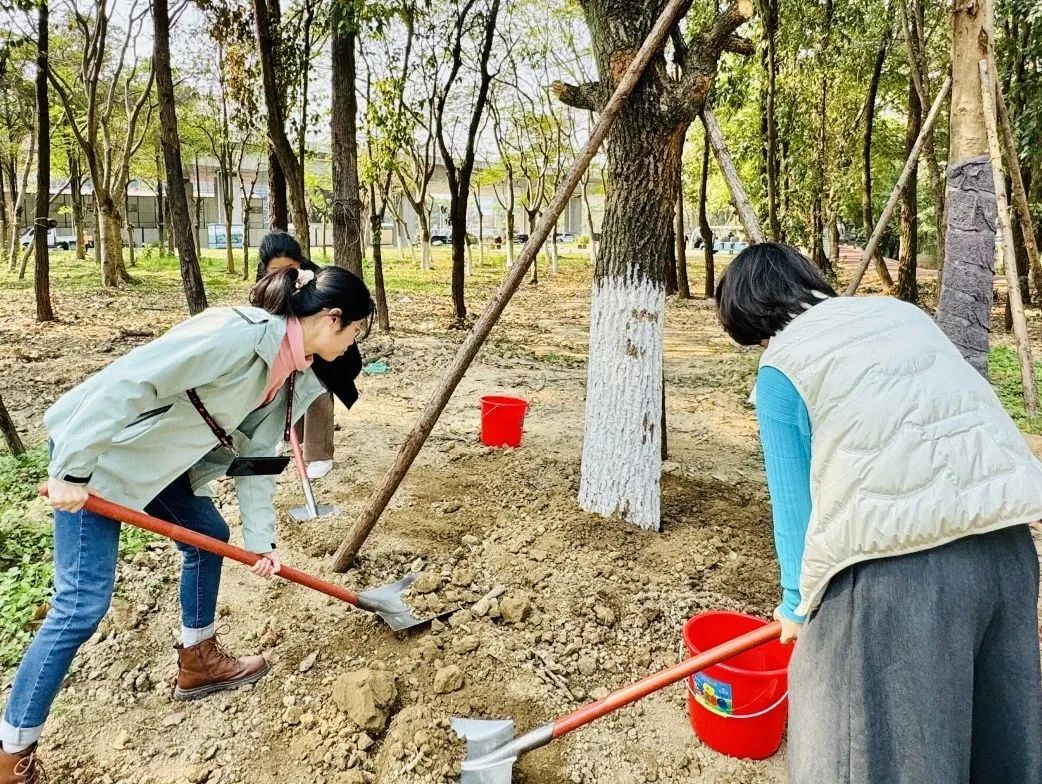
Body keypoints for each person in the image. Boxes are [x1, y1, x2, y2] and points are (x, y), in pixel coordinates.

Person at [0, 266, 374, 783]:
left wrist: (263, 542)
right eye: (356, 328)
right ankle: (12, 751)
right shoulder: (236, 333)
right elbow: (130, 380)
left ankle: (196, 660)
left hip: (158, 467)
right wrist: (70, 469)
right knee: (81, 605)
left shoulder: (291, 370)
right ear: (333, 319)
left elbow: (259, 458)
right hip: (102, 461)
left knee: (210, 538)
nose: (355, 339)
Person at [715, 242, 1042, 784]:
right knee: (994, 750)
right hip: (1007, 550)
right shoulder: (900, 315)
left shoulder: (782, 368)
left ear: (752, 317)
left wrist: (795, 610)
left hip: (899, 582)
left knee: (858, 741)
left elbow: (795, 512)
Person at [257, 231, 340, 480]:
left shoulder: (316, 278)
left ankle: (320, 454)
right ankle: (293, 438)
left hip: (317, 344)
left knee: (317, 391)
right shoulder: (262, 282)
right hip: (284, 343)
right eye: (275, 271)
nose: (283, 277)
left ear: (300, 262)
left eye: (290, 270)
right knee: (288, 391)